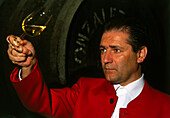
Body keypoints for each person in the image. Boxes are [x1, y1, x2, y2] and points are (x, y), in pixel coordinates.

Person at [7, 16, 170, 118]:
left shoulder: (165, 107)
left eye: (116, 50)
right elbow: (41, 103)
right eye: (103, 50)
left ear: (140, 54)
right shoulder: (85, 89)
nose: (106, 59)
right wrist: (28, 65)